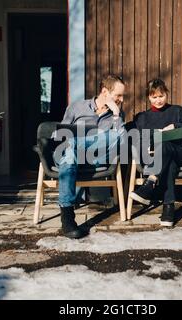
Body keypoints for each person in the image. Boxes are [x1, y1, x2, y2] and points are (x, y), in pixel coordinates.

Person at [54, 75, 126, 239]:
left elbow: (120, 142)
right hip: (71, 157)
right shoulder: (77, 107)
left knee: (116, 136)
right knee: (70, 151)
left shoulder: (116, 114)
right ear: (104, 91)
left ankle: (77, 144)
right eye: (118, 95)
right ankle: (67, 218)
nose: (121, 99)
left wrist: (116, 113)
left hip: (96, 159)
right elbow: (59, 135)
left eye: (122, 96)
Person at [130, 78, 182, 227]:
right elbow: (133, 137)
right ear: (149, 97)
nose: (158, 100)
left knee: (164, 146)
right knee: (168, 161)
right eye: (154, 97)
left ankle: (150, 182)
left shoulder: (177, 111)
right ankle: (168, 208)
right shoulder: (142, 118)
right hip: (157, 157)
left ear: (167, 94)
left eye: (161, 96)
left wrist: (175, 127)